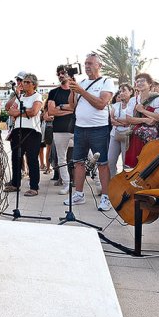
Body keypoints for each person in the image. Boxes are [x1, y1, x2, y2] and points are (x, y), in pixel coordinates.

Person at [64, 53, 116, 210]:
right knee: (78, 162)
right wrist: (74, 90)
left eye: (91, 63)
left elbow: (101, 104)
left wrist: (81, 90)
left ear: (99, 65)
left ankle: (106, 197)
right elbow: (72, 105)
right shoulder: (81, 82)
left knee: (102, 163)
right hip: (80, 128)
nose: (87, 66)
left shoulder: (107, 82)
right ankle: (79, 194)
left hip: (98, 129)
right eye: (86, 63)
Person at [3, 73, 44, 196]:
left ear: (34, 84)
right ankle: (15, 184)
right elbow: (9, 110)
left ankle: (34, 187)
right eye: (23, 82)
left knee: (32, 159)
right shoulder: (20, 97)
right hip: (18, 130)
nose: (23, 84)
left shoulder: (37, 96)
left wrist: (19, 112)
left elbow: (34, 111)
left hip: (32, 131)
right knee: (16, 158)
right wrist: (18, 98)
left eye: (27, 82)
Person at [124, 73, 159, 168]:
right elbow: (129, 119)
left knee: (149, 165)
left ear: (150, 84)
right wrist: (145, 120)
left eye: (142, 81)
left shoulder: (157, 99)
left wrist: (142, 110)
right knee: (134, 167)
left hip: (151, 139)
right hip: (135, 138)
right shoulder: (133, 100)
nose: (139, 83)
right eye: (137, 81)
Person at [46, 65, 75, 194]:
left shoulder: (76, 90)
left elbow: (78, 107)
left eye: (63, 73)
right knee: (61, 158)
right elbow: (51, 111)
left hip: (76, 128)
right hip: (59, 129)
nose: (60, 75)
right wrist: (70, 109)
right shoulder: (54, 92)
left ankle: (98, 182)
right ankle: (66, 184)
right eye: (58, 73)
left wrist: (61, 107)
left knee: (89, 155)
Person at [108, 84, 134, 176]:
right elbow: (111, 120)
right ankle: (113, 183)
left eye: (124, 91)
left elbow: (130, 120)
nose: (121, 93)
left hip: (128, 135)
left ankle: (124, 186)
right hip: (115, 134)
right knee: (110, 161)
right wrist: (124, 123)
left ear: (131, 92)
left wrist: (118, 120)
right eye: (120, 91)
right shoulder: (116, 105)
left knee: (125, 163)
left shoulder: (134, 104)